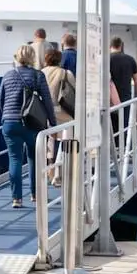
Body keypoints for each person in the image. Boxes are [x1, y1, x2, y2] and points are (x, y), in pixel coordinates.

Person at [0, 44, 57, 208]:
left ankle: (16, 199)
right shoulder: (38, 75)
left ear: (17, 57)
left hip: (10, 124)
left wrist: (8, 116)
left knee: (15, 159)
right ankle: (36, 195)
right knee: (34, 159)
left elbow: (0, 100)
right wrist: (52, 123)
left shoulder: (8, 75)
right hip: (32, 124)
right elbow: (47, 101)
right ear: (32, 57)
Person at [41, 48, 75, 186]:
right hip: (62, 111)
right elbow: (76, 88)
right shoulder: (66, 73)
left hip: (45, 111)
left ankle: (50, 168)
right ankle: (58, 174)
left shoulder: (41, 73)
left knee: (50, 139)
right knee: (65, 140)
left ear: (46, 59)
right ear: (59, 59)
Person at [108, 37, 137, 140]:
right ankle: (122, 151)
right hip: (125, 99)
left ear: (110, 46)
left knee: (110, 128)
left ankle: (111, 151)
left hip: (109, 100)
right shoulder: (130, 59)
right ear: (121, 46)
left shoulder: (107, 59)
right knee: (123, 128)